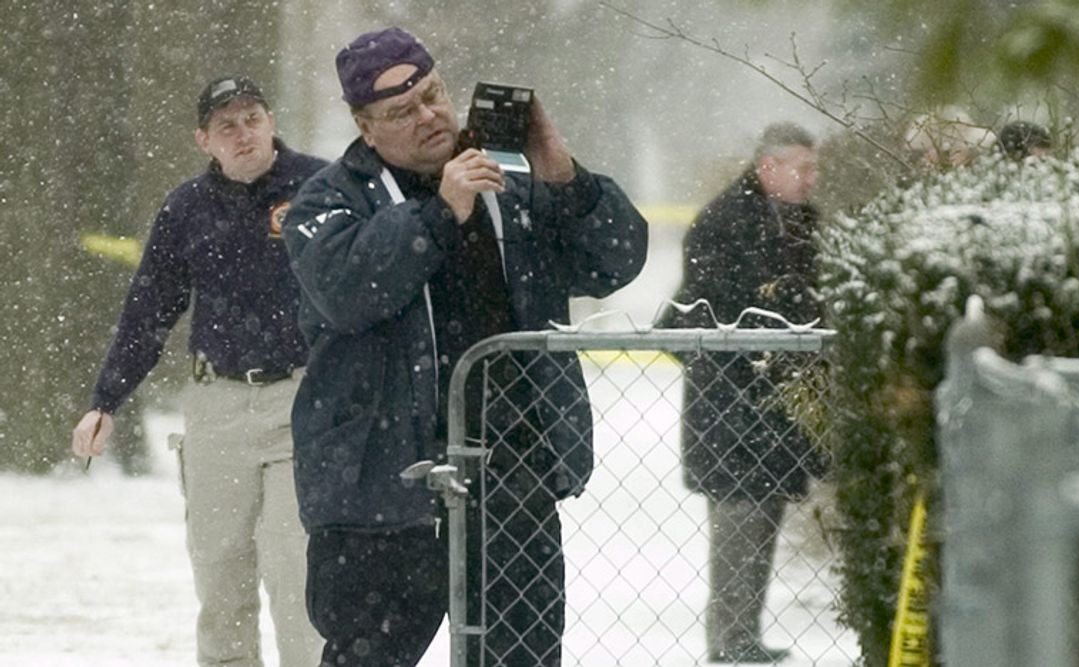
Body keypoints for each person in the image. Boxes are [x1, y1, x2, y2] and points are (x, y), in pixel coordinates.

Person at [282, 27, 648, 667]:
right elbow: (346, 291)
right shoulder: (328, 199)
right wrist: (438, 212)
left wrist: (563, 175)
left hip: (511, 480)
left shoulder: (508, 184)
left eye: (432, 96)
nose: (428, 117)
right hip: (381, 491)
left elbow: (614, 261)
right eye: (401, 112)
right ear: (366, 130)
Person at [71, 75, 326, 667]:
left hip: (302, 402)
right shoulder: (186, 208)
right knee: (219, 574)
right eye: (227, 126)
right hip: (218, 407)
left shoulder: (317, 186)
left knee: (297, 573)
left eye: (253, 118)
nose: (244, 134)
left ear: (271, 122)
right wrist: (105, 399)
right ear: (204, 140)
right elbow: (147, 311)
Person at [660, 122, 827, 664]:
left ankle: (743, 637)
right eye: (801, 167)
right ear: (767, 167)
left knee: (762, 524)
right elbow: (721, 308)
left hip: (772, 404)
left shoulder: (796, 222)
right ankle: (730, 641)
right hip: (733, 405)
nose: (811, 178)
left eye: (812, 167)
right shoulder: (726, 223)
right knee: (737, 527)